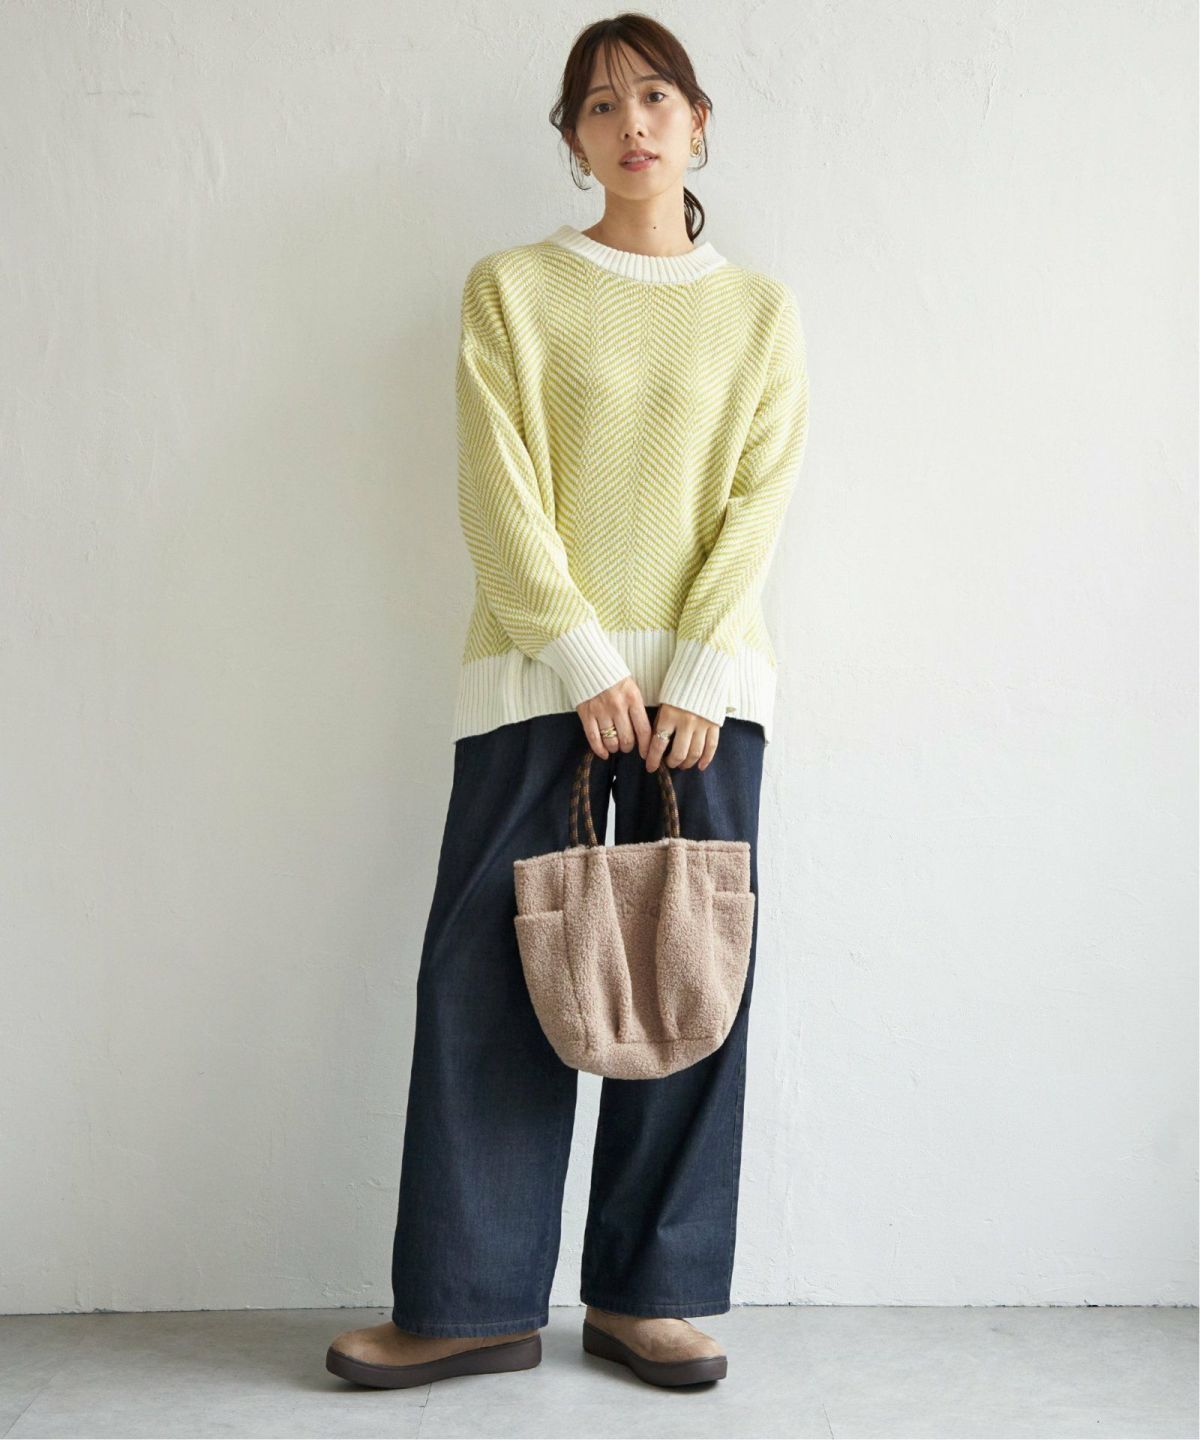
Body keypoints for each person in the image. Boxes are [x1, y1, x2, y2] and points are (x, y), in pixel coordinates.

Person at [325, 11, 810, 1394]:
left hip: (707, 699)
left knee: (689, 976)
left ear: (699, 122)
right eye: (601, 106)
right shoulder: (513, 290)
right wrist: (588, 664)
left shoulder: (759, 311)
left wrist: (697, 672)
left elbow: (761, 500)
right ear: (572, 139)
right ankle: (469, 1302)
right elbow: (499, 490)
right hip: (542, 682)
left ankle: (651, 1296)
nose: (632, 124)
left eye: (655, 98)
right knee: (486, 980)